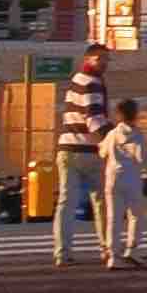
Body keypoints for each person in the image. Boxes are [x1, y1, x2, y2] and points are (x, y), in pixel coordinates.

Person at [52, 50, 117, 263]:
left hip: (66, 149)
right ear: (87, 59)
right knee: (102, 201)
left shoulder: (75, 80)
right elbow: (94, 119)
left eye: (106, 60)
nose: (104, 63)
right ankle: (107, 248)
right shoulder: (92, 82)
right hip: (89, 152)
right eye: (100, 59)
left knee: (66, 202)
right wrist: (115, 137)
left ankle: (62, 252)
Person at [88, 79, 147, 264]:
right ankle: (132, 248)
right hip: (132, 178)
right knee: (135, 215)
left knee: (113, 217)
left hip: (112, 177)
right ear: (135, 115)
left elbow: (102, 152)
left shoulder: (112, 134)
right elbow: (142, 159)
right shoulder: (138, 135)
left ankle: (112, 255)